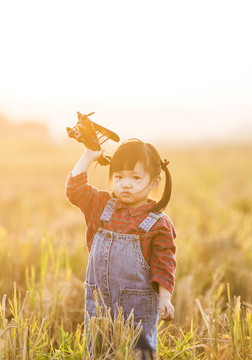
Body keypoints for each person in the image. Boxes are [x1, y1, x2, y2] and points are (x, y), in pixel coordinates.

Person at [66, 138, 177, 358]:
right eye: (119, 177)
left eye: (135, 178)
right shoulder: (101, 206)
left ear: (154, 182)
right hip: (98, 305)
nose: (125, 184)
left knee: (139, 356)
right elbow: (74, 190)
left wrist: (165, 298)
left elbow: (164, 264)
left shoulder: (158, 224)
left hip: (138, 310)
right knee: (99, 354)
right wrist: (89, 155)